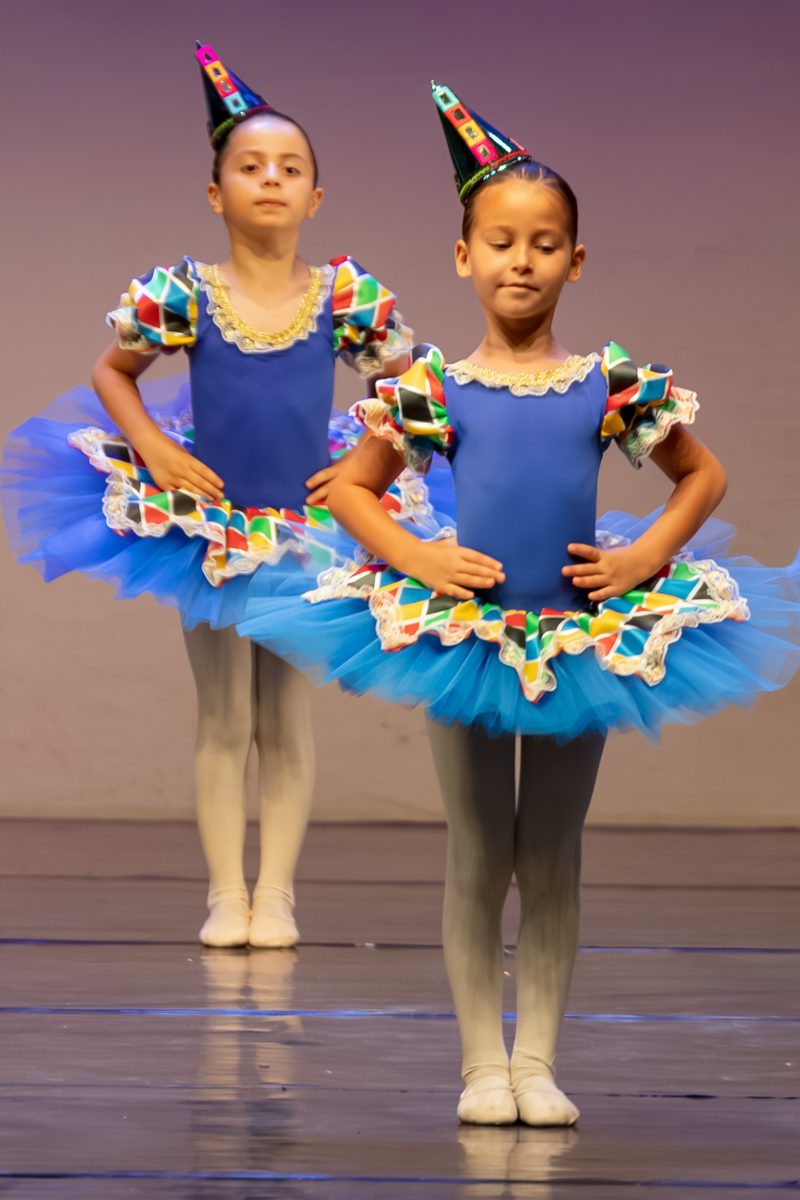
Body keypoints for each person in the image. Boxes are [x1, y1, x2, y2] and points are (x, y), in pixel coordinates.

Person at [237, 82, 800, 1123]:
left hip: (579, 635)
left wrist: (644, 559)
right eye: (500, 242)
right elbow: (351, 491)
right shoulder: (432, 387)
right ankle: (478, 1065)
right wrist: (419, 557)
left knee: (550, 852)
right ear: (463, 256)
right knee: (477, 850)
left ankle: (535, 1061)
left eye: (544, 244)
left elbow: (702, 475)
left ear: (575, 261)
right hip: (465, 638)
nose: (521, 261)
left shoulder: (608, 382)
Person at [1, 43, 424, 950]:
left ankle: (279, 895)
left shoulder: (344, 296)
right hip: (211, 525)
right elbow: (112, 371)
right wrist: (155, 447)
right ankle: (226, 893)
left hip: (308, 528)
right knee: (225, 713)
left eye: (290, 168)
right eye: (250, 166)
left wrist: (366, 469)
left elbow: (410, 386)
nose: (270, 179)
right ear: (214, 193)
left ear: (316, 197)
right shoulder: (187, 293)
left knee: (287, 713)